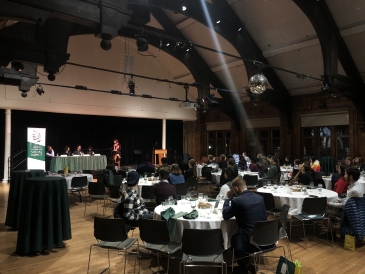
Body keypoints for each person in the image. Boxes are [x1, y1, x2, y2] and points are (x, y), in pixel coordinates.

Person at [222, 177, 267, 274]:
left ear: (236, 188)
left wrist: (227, 198)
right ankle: (245, 263)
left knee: (232, 237)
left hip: (249, 240)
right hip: (266, 237)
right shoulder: (260, 198)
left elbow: (225, 215)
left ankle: (242, 266)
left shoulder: (237, 201)